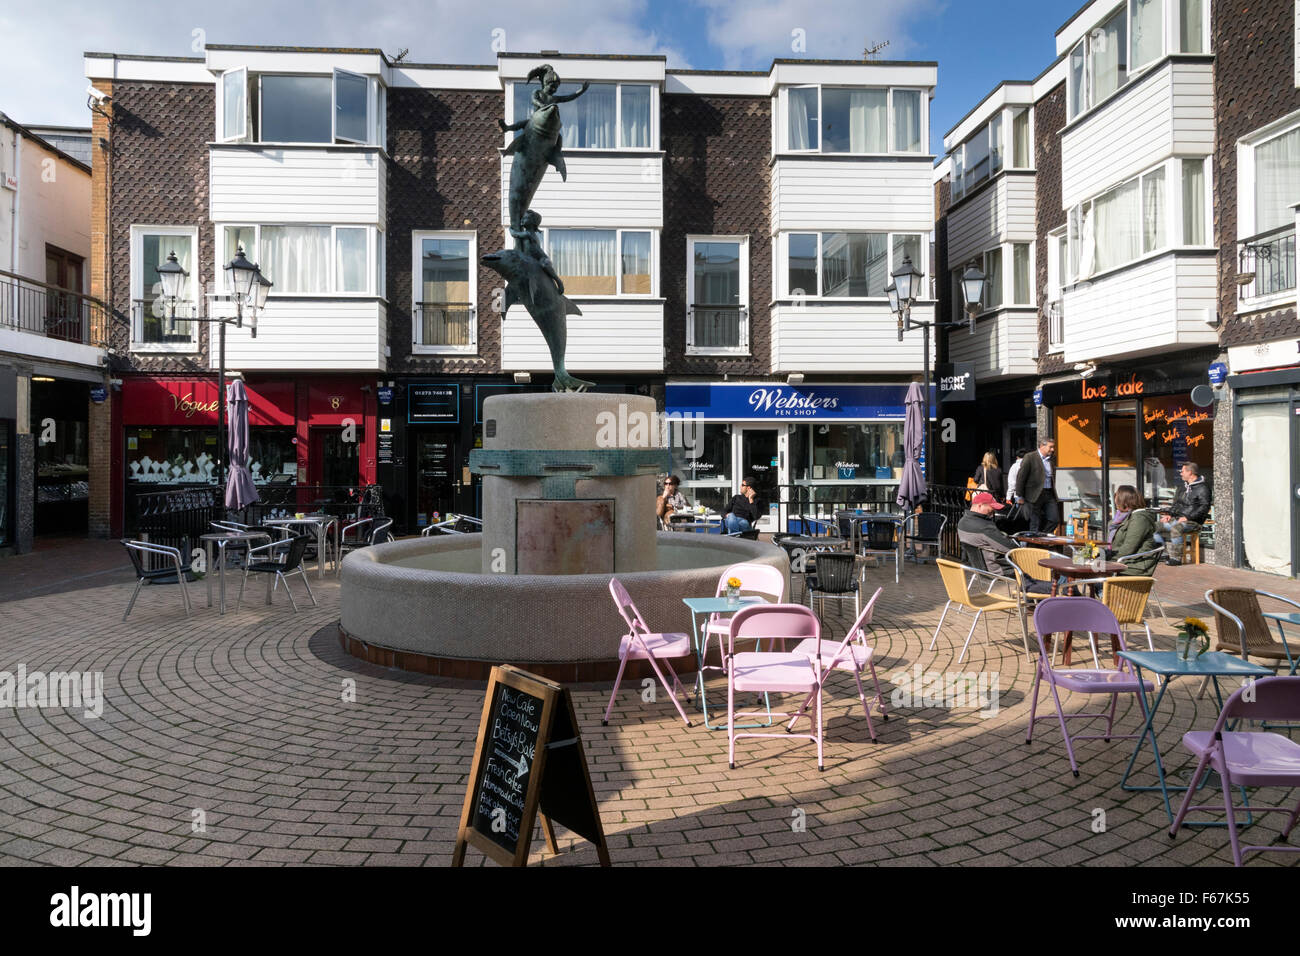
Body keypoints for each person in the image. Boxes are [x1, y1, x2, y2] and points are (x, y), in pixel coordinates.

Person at [957, 492, 1052, 594]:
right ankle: (1062, 590)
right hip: (1001, 570)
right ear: (980, 506)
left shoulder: (962, 523)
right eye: (991, 508)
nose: (993, 512)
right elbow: (1012, 549)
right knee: (1049, 564)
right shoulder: (984, 527)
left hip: (981, 570)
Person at [1158, 462, 1210, 565]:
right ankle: (1164, 553)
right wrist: (1170, 515)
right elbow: (1177, 504)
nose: (1180, 474)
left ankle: (1176, 559)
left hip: (1193, 522)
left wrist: (1188, 517)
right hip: (1178, 519)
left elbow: (1204, 507)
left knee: (1176, 528)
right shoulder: (1184, 487)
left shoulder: (1203, 488)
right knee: (1154, 526)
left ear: (1190, 472)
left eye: (1182, 471)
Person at [1108, 485, 1160, 576]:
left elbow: (1128, 547)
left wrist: (1107, 559)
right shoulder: (1126, 516)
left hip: (1135, 565)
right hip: (1126, 560)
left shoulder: (1139, 518)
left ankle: (1100, 590)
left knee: (1095, 568)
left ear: (1124, 501)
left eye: (1116, 497)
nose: (1115, 501)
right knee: (1092, 564)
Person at [1015, 438, 1060, 534]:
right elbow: (1021, 477)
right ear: (1042, 446)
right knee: (1035, 522)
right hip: (1033, 495)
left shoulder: (1052, 459)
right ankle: (1033, 545)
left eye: (1053, 447)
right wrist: (1019, 495)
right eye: (1050, 447)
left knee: (1054, 519)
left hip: (1049, 493)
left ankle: (1042, 537)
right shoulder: (1030, 457)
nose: (1052, 449)